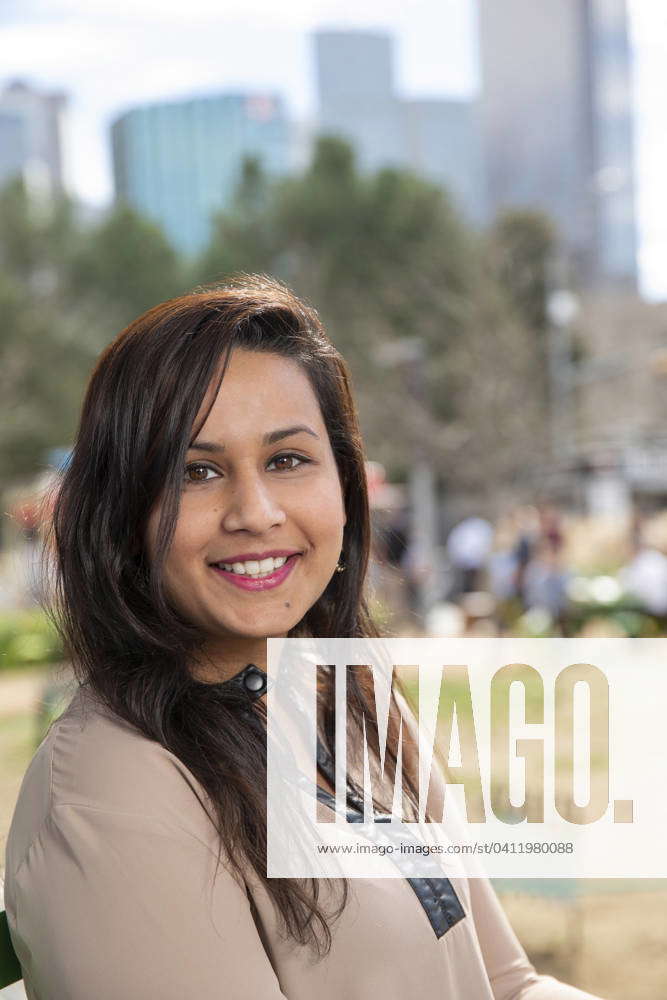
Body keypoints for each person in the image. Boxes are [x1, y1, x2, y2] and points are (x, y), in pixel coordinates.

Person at [3, 277, 601, 999]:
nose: (254, 512)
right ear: (124, 518)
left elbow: (503, 982)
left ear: (343, 488)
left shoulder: (342, 697)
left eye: (287, 460)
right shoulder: (113, 793)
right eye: (197, 472)